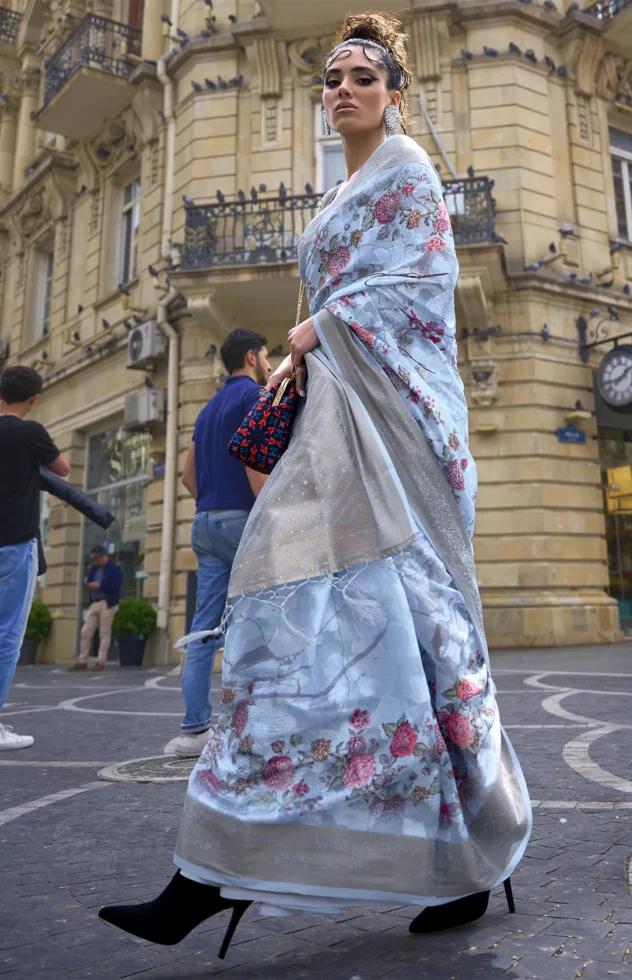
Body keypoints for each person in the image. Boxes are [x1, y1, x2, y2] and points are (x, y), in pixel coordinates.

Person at [100, 12, 531, 952]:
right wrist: (319, 338)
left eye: (362, 78)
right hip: (340, 424)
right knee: (286, 630)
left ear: (394, 94)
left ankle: (464, 855)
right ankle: (215, 866)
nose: (343, 89)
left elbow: (420, 291)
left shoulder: (410, 170)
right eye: (331, 78)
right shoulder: (342, 190)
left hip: (399, 434)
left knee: (414, 641)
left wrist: (315, 332)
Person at [163, 329, 271, 757]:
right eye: (265, 356)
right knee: (263, 619)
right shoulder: (253, 398)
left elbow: (188, 477)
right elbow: (253, 458)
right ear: (250, 357)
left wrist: (214, 507)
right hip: (241, 519)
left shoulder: (206, 410)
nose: (268, 363)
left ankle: (194, 730)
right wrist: (269, 514)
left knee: (203, 631)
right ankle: (259, 722)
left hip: (204, 521)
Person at [0, 366, 70, 750]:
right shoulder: (30, 433)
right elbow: (63, 467)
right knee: (8, 635)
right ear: (34, 399)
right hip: (15, 544)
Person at [70, 546, 123, 671]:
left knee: (104, 632)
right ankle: (82, 660)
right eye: (95, 559)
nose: (96, 562)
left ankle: (101, 660)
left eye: (98, 559)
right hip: (95, 601)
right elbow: (89, 580)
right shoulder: (94, 568)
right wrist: (90, 585)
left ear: (105, 556)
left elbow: (116, 586)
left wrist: (100, 585)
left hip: (107, 602)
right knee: (85, 632)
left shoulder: (114, 568)